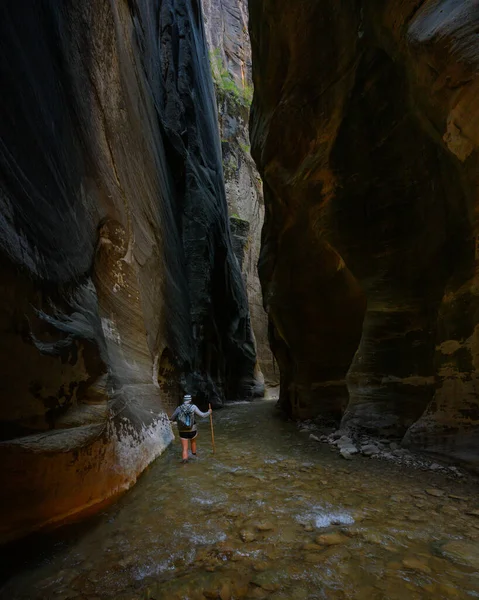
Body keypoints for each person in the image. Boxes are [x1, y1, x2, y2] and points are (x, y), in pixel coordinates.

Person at [170, 394, 212, 463]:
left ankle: (184, 463)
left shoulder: (179, 408)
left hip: (182, 430)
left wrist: (177, 420)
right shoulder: (193, 407)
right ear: (190, 400)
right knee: (193, 442)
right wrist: (209, 412)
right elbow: (203, 415)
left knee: (184, 449)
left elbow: (172, 418)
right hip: (192, 429)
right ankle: (194, 456)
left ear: (184, 400)